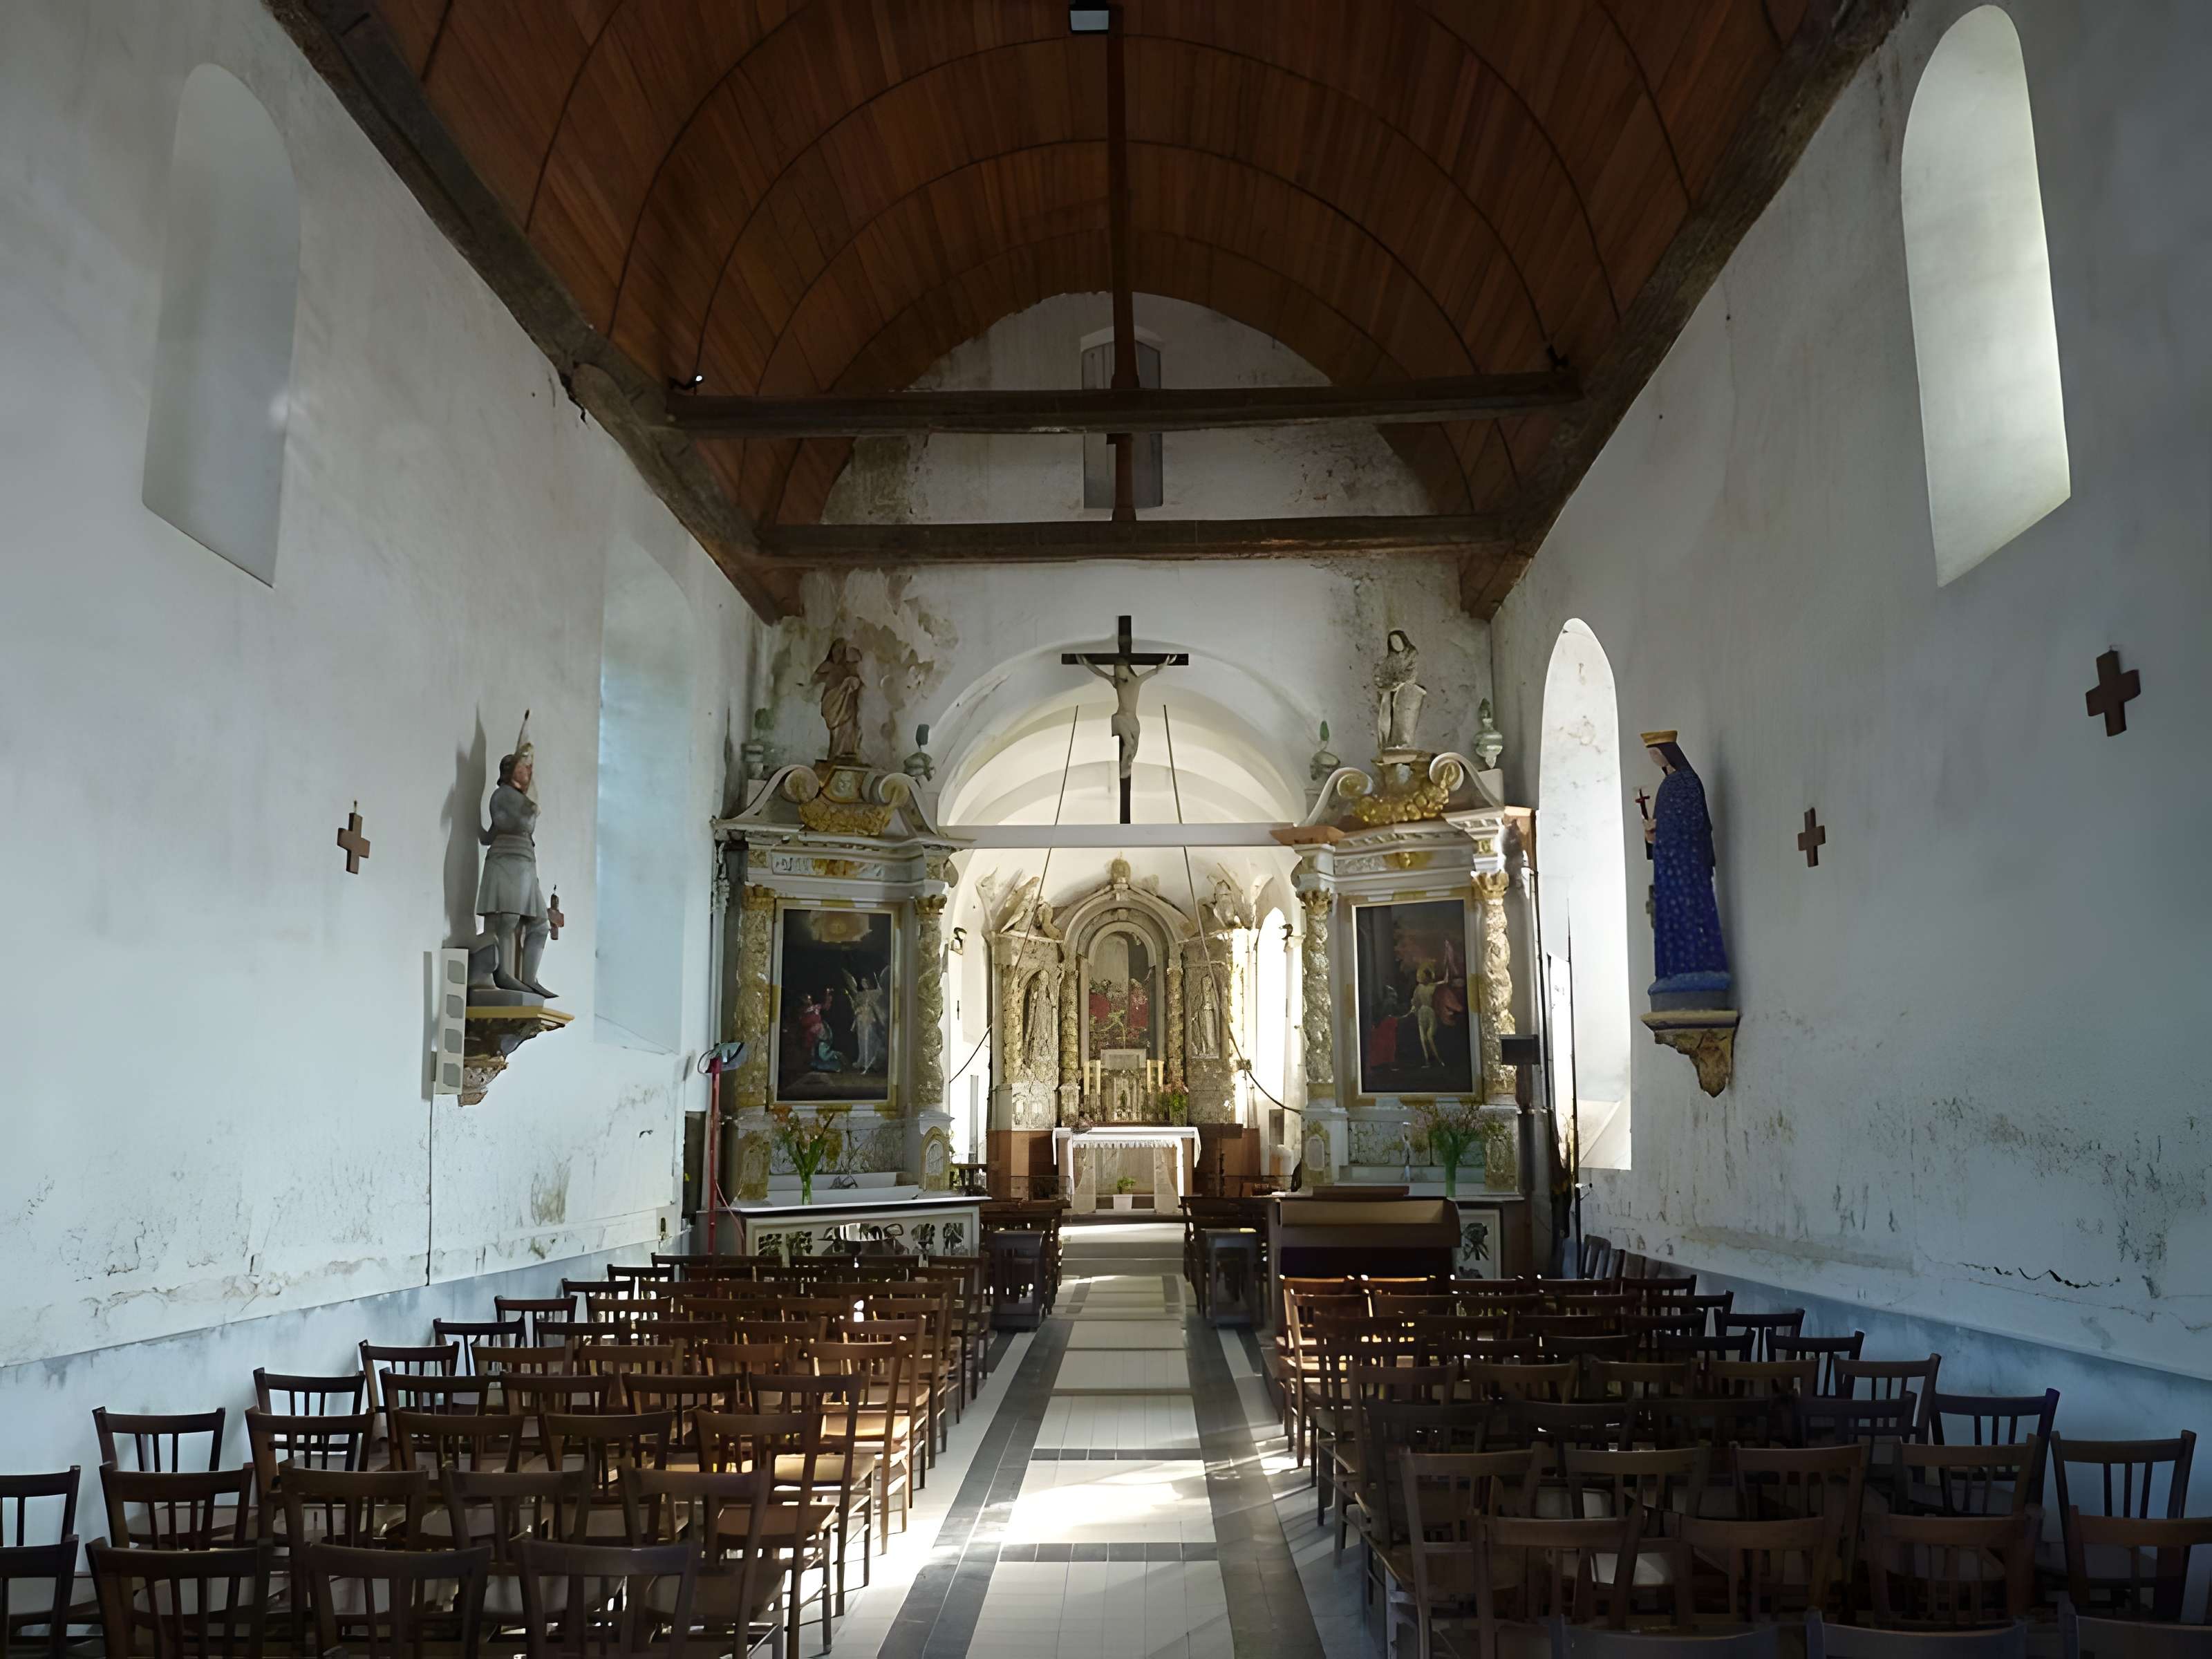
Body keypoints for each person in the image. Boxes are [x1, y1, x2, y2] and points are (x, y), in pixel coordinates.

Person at [1642, 731, 1732, 1001]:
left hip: (1687, 864)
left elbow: (1694, 823)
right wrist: (1651, 837)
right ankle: (1676, 970)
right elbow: (1665, 826)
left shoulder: (1687, 781)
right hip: (1669, 865)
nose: (1653, 759)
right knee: (1673, 916)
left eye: (1655, 753)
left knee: (1690, 913)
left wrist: (1664, 831)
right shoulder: (1668, 784)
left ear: (1667, 752)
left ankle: (1696, 967)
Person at [475, 713, 554, 997]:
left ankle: (530, 977)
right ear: (510, 772)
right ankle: (504, 974)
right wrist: (529, 811)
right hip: (507, 860)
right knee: (507, 919)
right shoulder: (503, 796)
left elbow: (491, 832)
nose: (528, 773)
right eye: (523, 768)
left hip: (525, 863)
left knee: (541, 922)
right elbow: (506, 825)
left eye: (529, 769)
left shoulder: (523, 799)